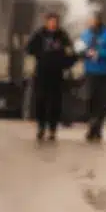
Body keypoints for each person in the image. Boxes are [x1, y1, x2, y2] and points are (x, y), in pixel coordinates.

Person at [26, 11, 75, 141]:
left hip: (57, 74)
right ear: (46, 22)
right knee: (40, 101)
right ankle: (41, 127)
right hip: (42, 73)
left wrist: (66, 64)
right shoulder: (39, 34)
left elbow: (71, 53)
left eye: (55, 22)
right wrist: (40, 55)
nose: (53, 24)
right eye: (50, 21)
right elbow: (29, 49)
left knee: (55, 103)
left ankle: (52, 129)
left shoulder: (62, 36)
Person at [79, 11, 106, 141]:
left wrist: (99, 53)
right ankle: (92, 123)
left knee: (101, 100)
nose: (91, 22)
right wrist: (85, 53)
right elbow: (79, 49)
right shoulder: (86, 35)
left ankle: (97, 127)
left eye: (93, 19)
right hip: (90, 71)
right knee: (89, 98)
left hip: (104, 73)